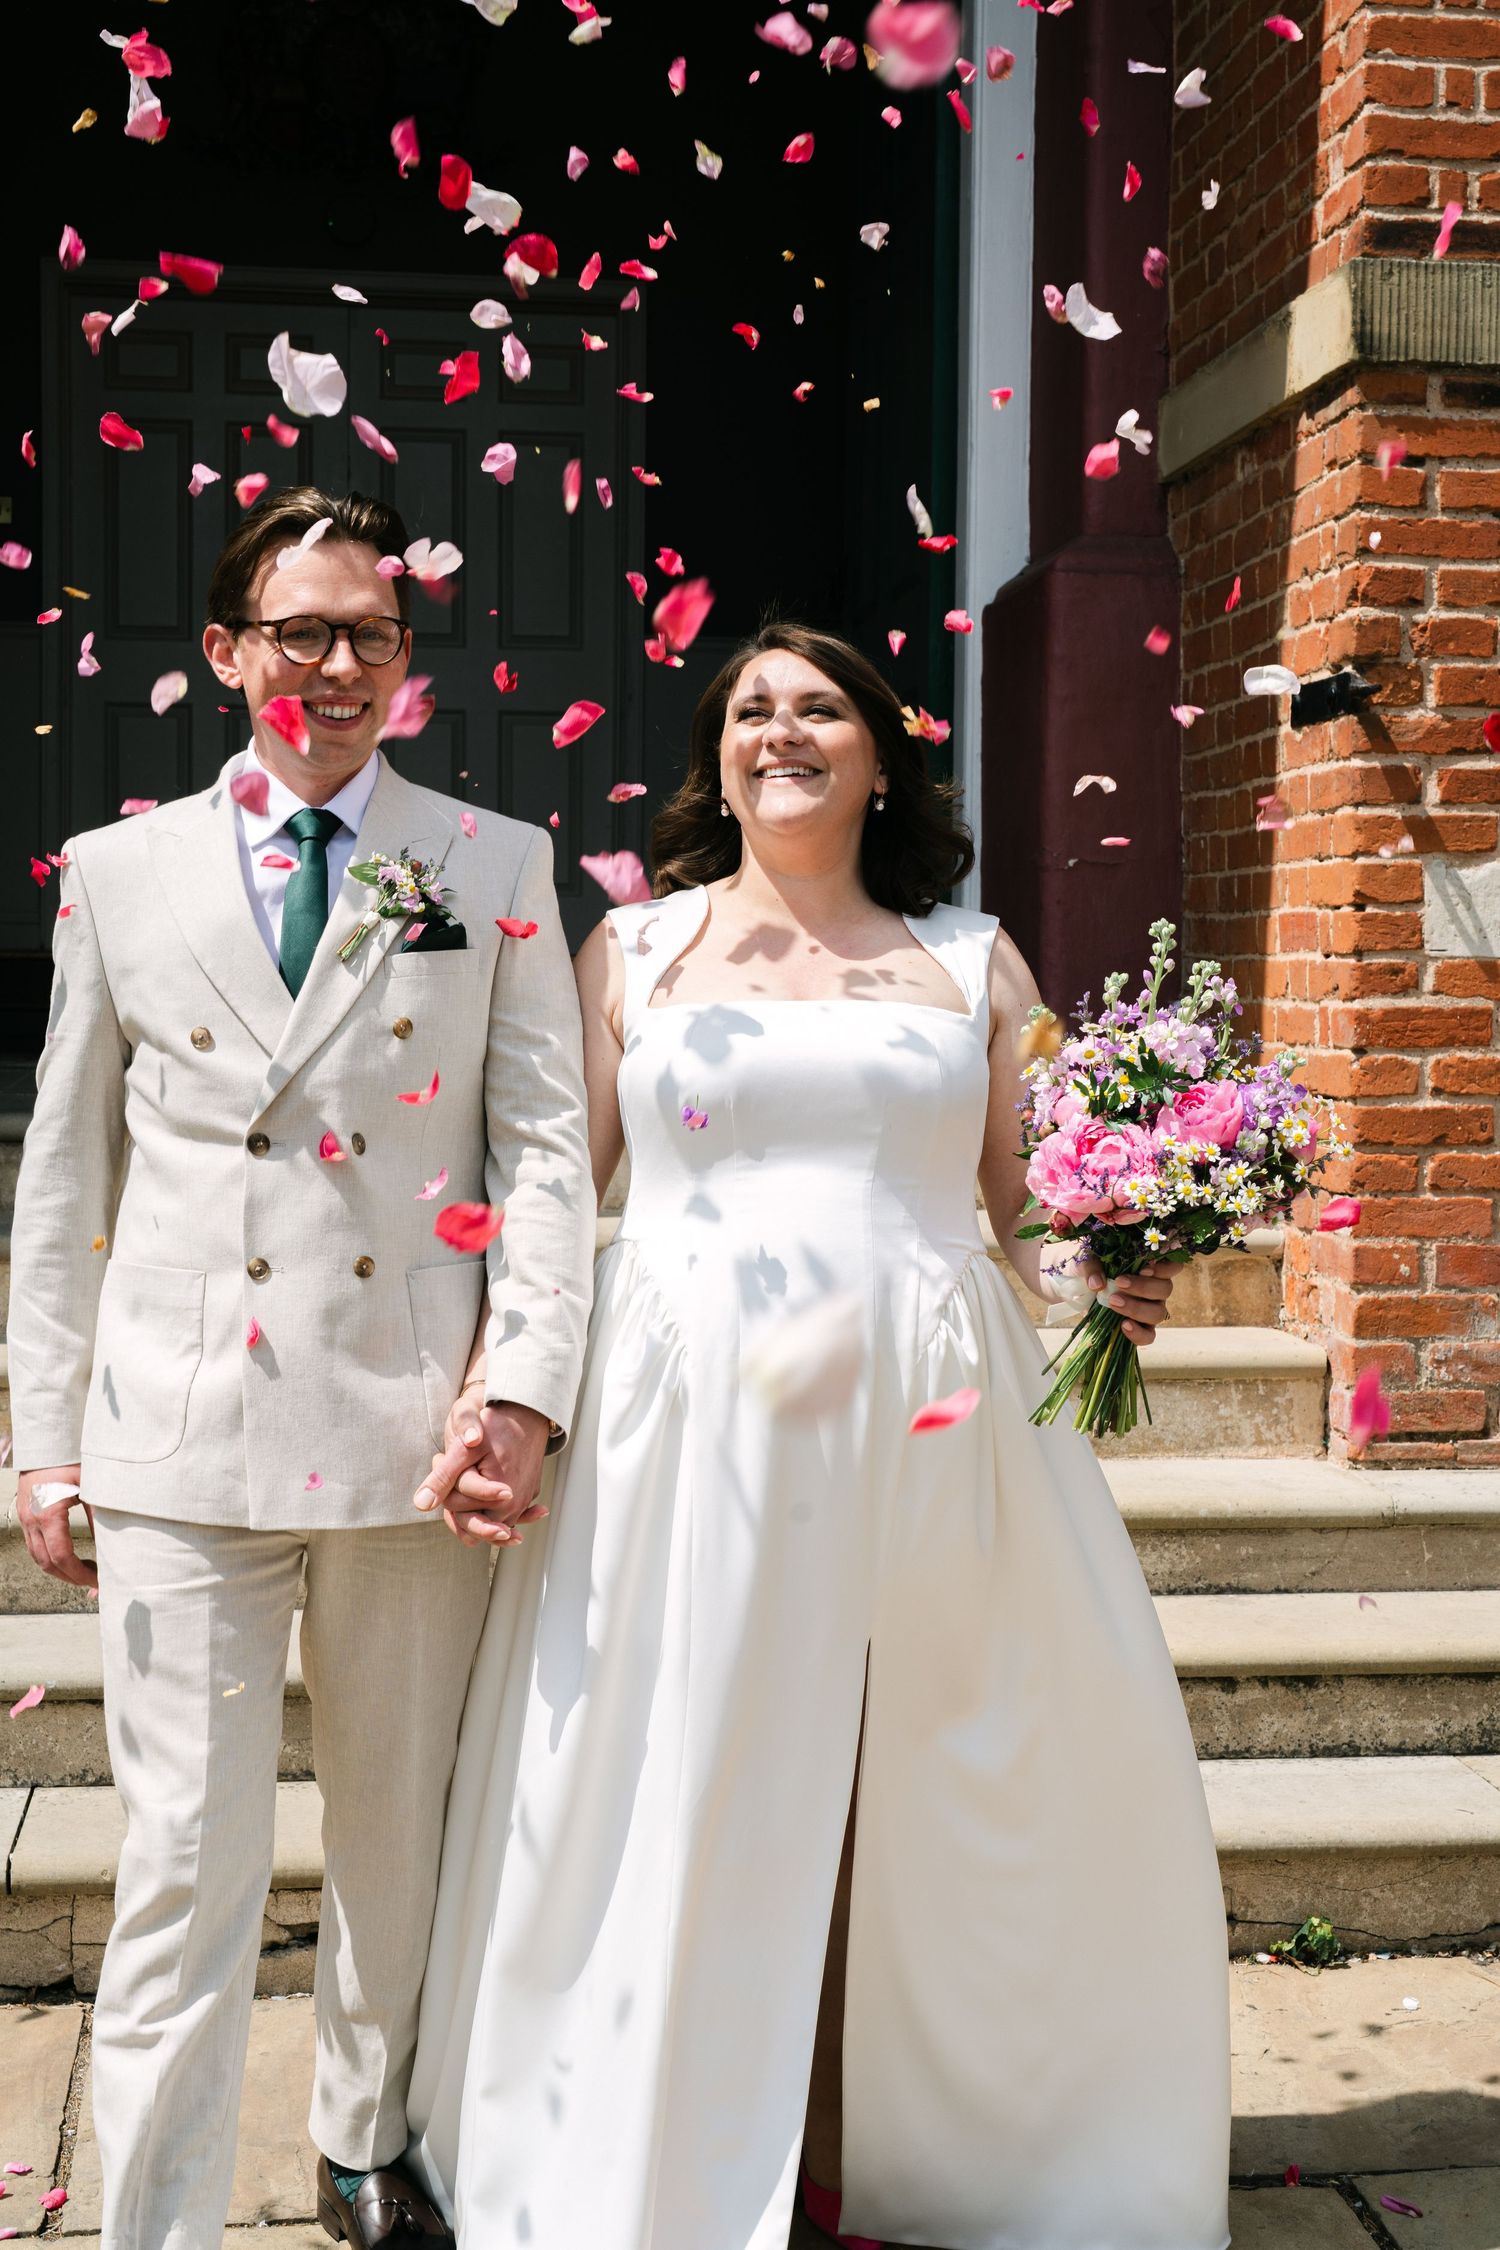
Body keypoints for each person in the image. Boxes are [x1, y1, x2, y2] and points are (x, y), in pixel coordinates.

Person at [403, 623, 1232, 2250]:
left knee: (918, 1770)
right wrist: (513, 1385)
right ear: (717, 752)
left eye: (821, 708)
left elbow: (1025, 1208)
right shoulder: (631, 951)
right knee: (695, 1765)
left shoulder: (972, 957)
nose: (783, 732)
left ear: (876, 753)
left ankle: (904, 2142)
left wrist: (1111, 1265)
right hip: (683, 1422)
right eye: (752, 710)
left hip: (939, 1411)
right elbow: (559, 1212)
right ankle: (681, 2136)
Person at [7, 487, 595, 2250]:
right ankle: (160, 2218)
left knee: (390, 1839)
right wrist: (42, 1441)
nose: (336, 667)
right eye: (301, 632)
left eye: (372, 637)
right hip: (176, 1439)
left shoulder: (492, 863)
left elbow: (548, 1154)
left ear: (406, 665)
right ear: (227, 651)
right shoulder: (117, 873)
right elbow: (62, 1183)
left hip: (408, 1434)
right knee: (181, 1864)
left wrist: (524, 1391)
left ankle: (362, 2141)